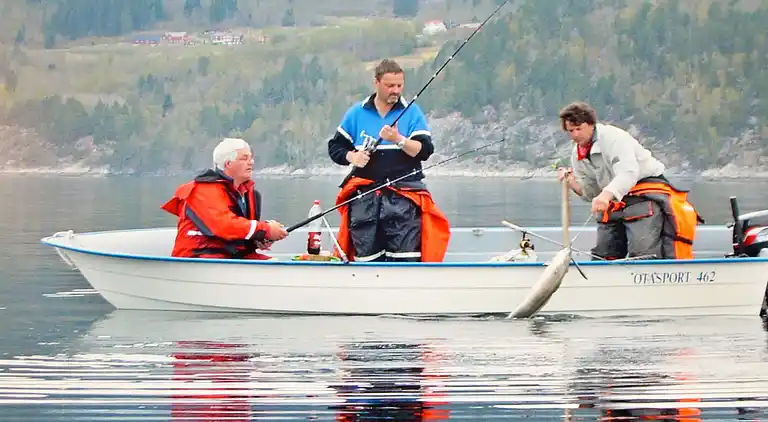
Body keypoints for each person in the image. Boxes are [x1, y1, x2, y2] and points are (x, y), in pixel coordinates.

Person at [327, 58, 450, 262]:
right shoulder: (356, 113)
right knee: (365, 258)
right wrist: (353, 156)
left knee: (405, 258)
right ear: (376, 83)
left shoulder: (411, 112)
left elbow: (424, 150)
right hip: (364, 198)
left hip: (404, 198)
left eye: (399, 85)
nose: (395, 90)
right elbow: (335, 147)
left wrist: (399, 139)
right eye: (390, 85)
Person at [555, 101, 703, 260]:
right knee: (603, 255)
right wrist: (572, 183)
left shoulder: (614, 138)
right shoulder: (577, 155)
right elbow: (591, 192)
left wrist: (605, 195)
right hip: (614, 201)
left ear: (591, 125)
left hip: (644, 194)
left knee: (642, 253)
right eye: (571, 130)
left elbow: (628, 173)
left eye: (579, 129)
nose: (575, 135)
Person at [161, 137, 288, 259]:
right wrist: (266, 230)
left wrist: (258, 240)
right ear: (228, 163)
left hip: (231, 258)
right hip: (199, 259)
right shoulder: (203, 191)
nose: (251, 162)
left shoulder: (248, 193)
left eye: (251, 158)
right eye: (244, 158)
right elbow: (225, 226)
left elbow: (240, 234)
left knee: (278, 267)